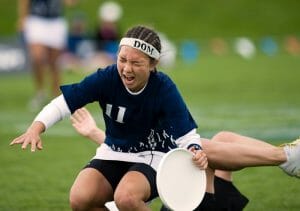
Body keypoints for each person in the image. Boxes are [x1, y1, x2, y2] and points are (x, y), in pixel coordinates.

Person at [10, 25, 300, 211]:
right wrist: (38, 127)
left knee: (207, 151)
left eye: (135, 63)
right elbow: (65, 103)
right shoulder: (106, 77)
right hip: (122, 155)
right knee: (79, 198)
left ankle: (285, 156)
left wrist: (196, 151)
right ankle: (286, 156)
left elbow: (187, 137)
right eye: (122, 59)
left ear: (152, 65)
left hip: (156, 158)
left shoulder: (164, 88)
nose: (126, 67)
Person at [71, 107, 249, 210]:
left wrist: (94, 133)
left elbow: (132, 152)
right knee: (214, 144)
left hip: (188, 199)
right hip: (199, 202)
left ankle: (276, 156)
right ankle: (276, 156)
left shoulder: (120, 196)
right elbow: (132, 153)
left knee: (219, 142)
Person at [17, 0, 77, 110]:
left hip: (55, 21)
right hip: (36, 20)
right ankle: (40, 92)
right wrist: (22, 17)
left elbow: (71, 3)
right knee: (37, 58)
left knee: (54, 62)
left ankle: (56, 94)